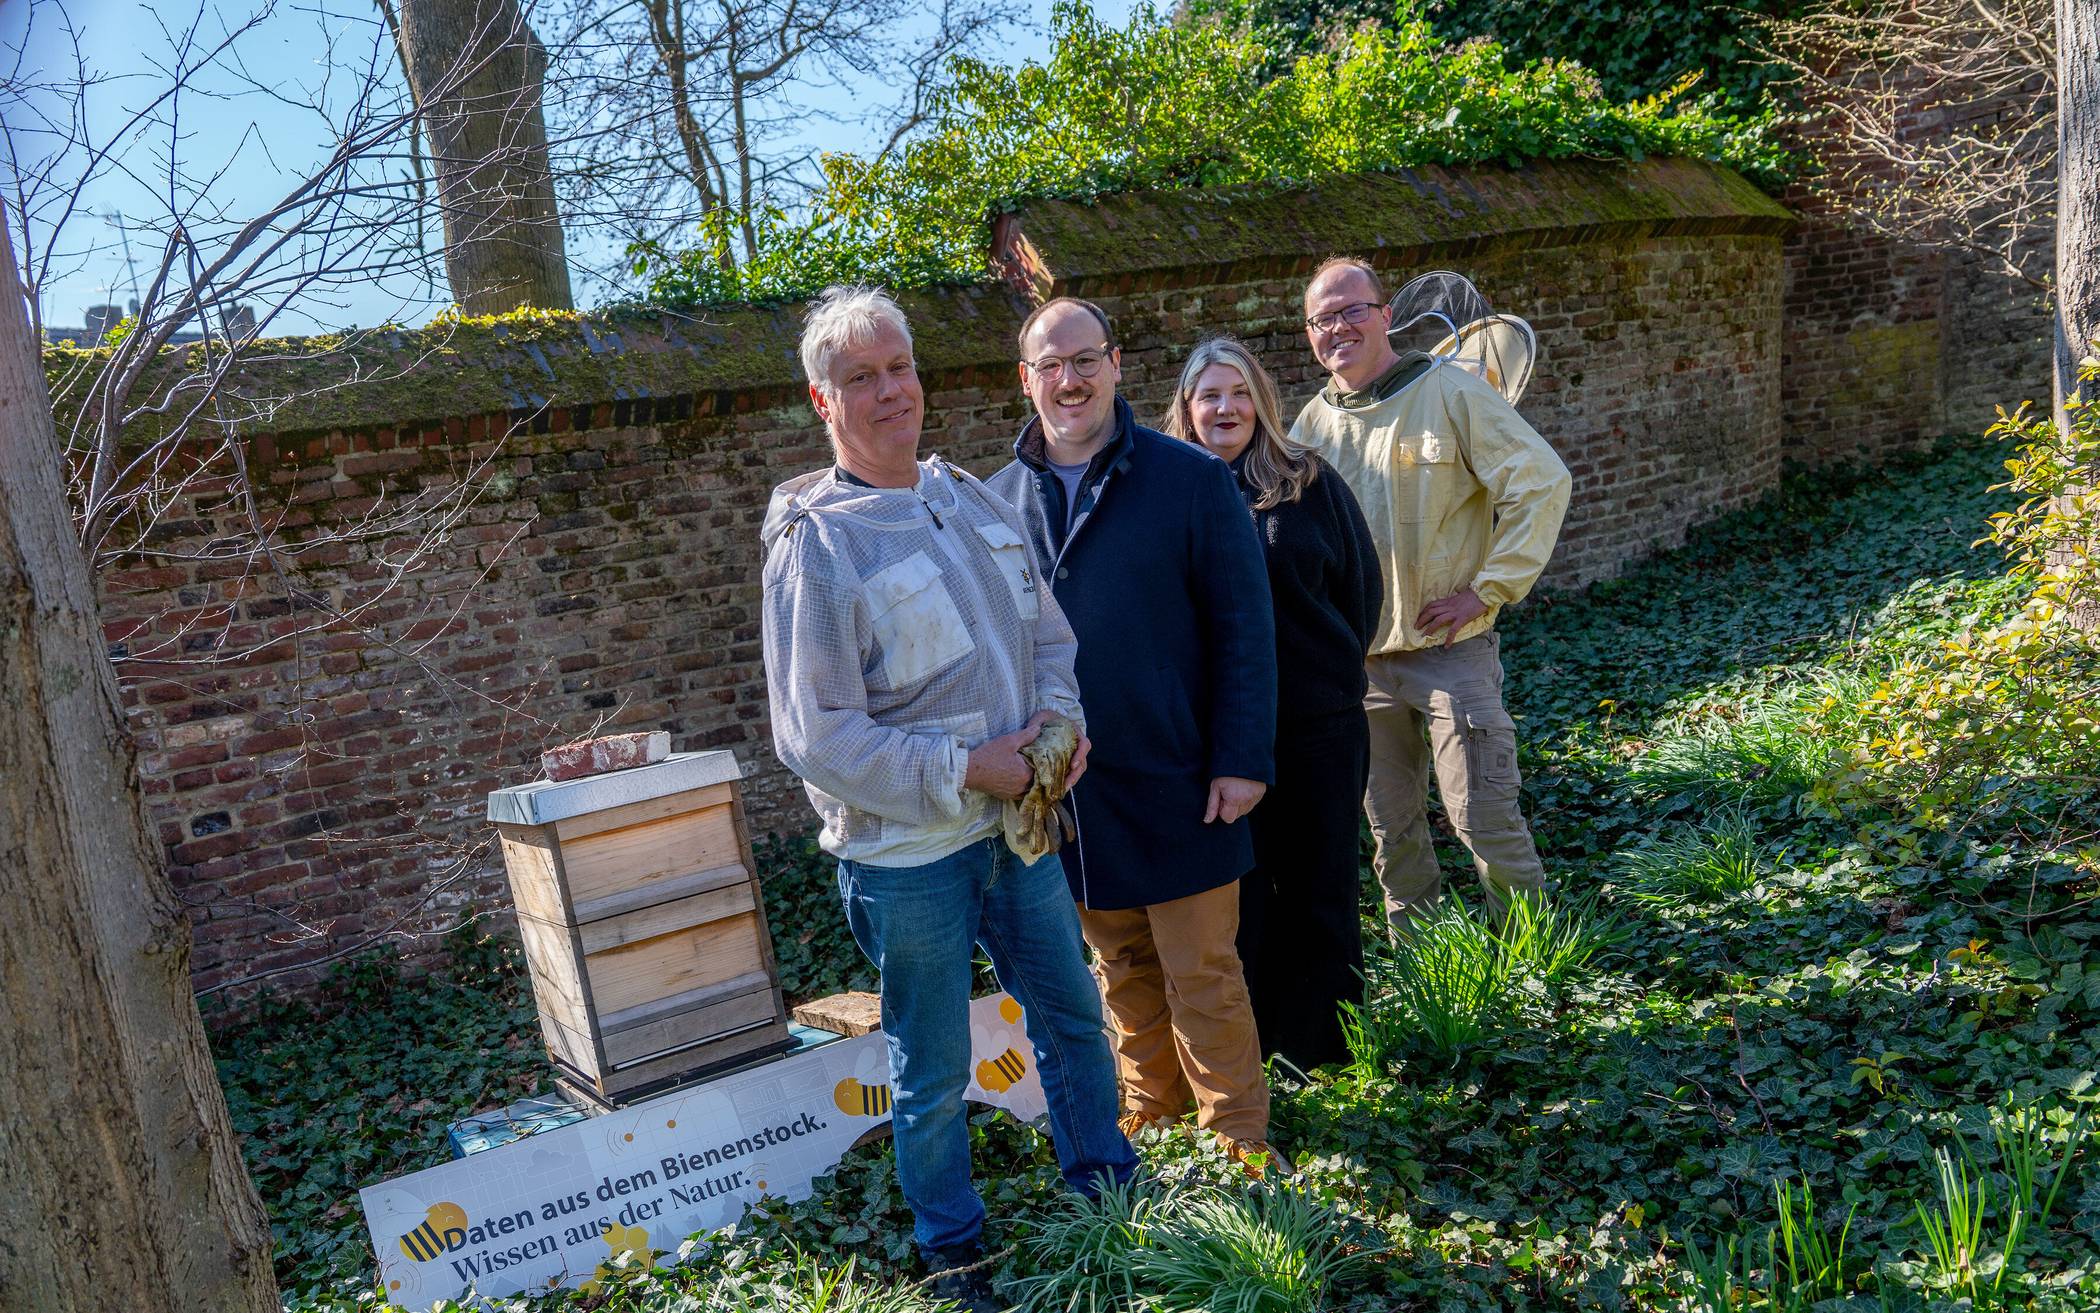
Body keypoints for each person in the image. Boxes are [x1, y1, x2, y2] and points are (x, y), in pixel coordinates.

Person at [760, 285, 1136, 1312]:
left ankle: (1108, 1197)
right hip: (908, 859)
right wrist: (970, 766)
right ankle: (956, 1251)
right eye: (860, 378)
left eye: (899, 367)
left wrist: (1057, 730)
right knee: (929, 1067)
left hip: (1019, 831)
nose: (890, 392)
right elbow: (818, 735)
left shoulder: (967, 497)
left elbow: (1047, 640)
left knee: (1072, 1016)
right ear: (821, 400)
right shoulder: (819, 546)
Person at [984, 297, 1283, 1171]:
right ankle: (1154, 1116)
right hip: (1071, 791)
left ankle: (1238, 1142)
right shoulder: (994, 502)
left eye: (1085, 360)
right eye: (1050, 365)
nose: (1068, 381)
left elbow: (1244, 625)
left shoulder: (1190, 477)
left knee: (1204, 972)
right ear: (1026, 379)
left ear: (1116, 365)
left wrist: (1241, 759)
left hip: (1183, 772)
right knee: (1118, 970)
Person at [1289, 257, 1571, 930]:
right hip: (1360, 667)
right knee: (1392, 828)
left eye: (1352, 309)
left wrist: (1486, 589)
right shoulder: (1309, 426)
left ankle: (1529, 957)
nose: (1338, 328)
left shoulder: (1450, 391)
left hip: (1451, 651)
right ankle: (1424, 960)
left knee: (1483, 813)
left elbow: (1541, 481)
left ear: (1385, 315)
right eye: (1322, 318)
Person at [1161, 336, 1382, 1071]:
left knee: (1321, 890)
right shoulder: (1166, 496)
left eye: (1237, 391)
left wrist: (1326, 679)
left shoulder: (1307, 483)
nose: (1224, 408)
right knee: (1240, 903)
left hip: (1318, 730)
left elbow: (1361, 593)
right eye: (1207, 395)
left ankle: (1328, 1055)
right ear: (1186, 410)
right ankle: (1253, 1056)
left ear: (1261, 399)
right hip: (1218, 742)